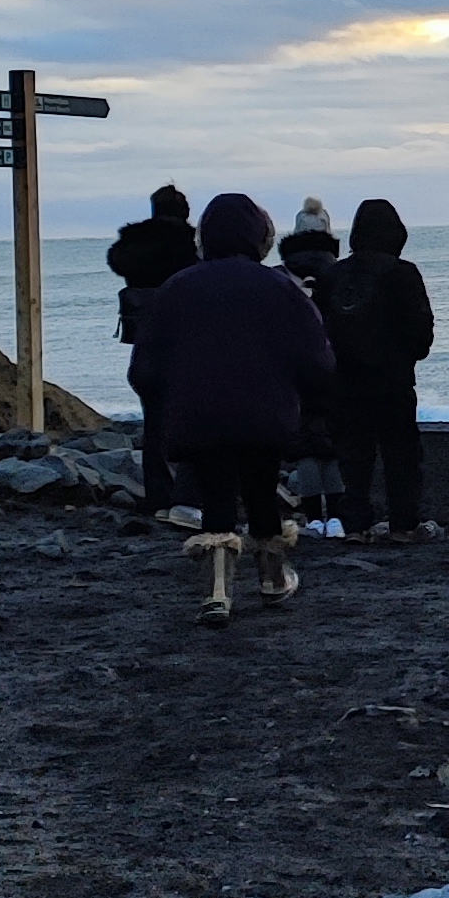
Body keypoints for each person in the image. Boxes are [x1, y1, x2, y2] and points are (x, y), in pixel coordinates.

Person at [130, 193, 333, 626]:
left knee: (216, 492)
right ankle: (273, 578)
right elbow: (317, 360)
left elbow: (145, 368)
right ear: (260, 236)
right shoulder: (279, 287)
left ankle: (217, 592)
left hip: (198, 416)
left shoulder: (177, 288)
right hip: (264, 414)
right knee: (261, 489)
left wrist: (168, 406)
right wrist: (305, 399)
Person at [323, 198, 439, 541]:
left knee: (353, 458)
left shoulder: (334, 276)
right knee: (400, 455)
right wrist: (411, 353)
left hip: (345, 383)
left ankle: (356, 524)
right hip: (392, 381)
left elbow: (320, 329)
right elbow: (421, 330)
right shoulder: (402, 273)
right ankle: (404, 523)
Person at [106, 185, 202, 528]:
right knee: (193, 418)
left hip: (144, 341)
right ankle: (186, 497)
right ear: (185, 212)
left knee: (154, 422)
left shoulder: (133, 247)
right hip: (184, 340)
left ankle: (158, 496)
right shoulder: (190, 247)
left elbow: (116, 261)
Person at [277, 199, 349, 535]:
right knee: (332, 445)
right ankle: (335, 515)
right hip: (334, 367)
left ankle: (312, 516)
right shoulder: (338, 272)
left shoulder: (282, 276)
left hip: (294, 371)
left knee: (305, 447)